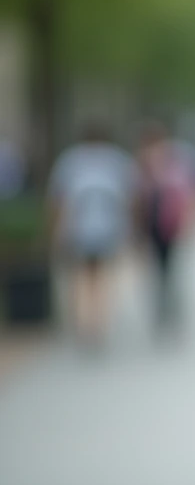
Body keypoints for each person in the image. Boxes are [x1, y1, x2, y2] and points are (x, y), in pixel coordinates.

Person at [48, 123, 139, 350]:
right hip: (108, 229)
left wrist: (56, 230)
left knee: (81, 278)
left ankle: (85, 322)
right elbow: (131, 199)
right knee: (102, 278)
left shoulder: (70, 161)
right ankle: (98, 323)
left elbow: (58, 200)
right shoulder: (117, 160)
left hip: (78, 229)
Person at [136, 120, 195, 335]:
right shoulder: (151, 163)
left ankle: (168, 307)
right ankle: (165, 306)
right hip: (158, 224)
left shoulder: (177, 160)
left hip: (168, 223)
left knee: (168, 267)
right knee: (162, 268)